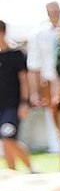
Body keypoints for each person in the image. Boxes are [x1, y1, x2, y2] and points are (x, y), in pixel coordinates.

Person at [0, 21, 29, 171]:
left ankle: (30, 169)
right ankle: (12, 173)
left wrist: (25, 102)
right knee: (5, 141)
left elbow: (24, 80)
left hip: (13, 105)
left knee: (8, 138)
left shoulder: (16, 54)